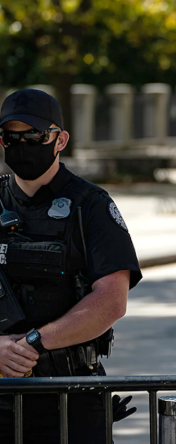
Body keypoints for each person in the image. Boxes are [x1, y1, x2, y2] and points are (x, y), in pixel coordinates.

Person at [0, 89, 142, 443]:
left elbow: (111, 300)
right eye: (10, 137)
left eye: (34, 136)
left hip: (70, 396)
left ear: (60, 139)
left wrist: (33, 343)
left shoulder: (89, 206)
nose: (22, 145)